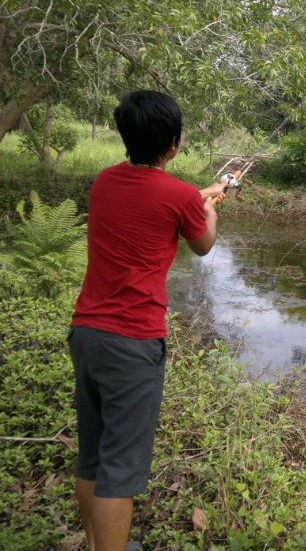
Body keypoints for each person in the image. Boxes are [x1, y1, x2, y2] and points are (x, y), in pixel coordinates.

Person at [69, 90, 229, 551]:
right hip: (133, 342)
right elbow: (203, 244)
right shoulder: (179, 196)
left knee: (93, 458)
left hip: (87, 334)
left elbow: (151, 206)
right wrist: (210, 209)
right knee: (120, 470)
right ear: (174, 144)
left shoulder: (104, 182)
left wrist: (198, 200)